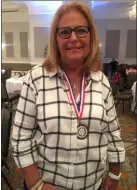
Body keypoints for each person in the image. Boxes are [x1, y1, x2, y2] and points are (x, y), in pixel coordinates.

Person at [12, 2, 125, 190]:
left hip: (92, 184)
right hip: (47, 185)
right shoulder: (36, 79)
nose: (73, 38)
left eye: (81, 30)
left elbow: (113, 133)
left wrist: (114, 173)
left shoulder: (101, 81)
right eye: (64, 32)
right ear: (55, 39)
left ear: (91, 36)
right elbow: (21, 138)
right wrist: (36, 185)